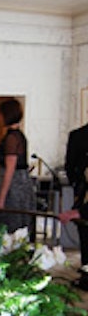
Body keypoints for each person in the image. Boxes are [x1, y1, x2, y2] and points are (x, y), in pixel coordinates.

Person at [0, 98, 36, 234]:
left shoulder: (12, 138)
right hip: (18, 182)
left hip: (14, 186)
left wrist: (1, 199)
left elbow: (10, 168)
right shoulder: (17, 135)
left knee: (8, 224)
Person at [62, 120, 88, 280]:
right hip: (84, 195)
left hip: (83, 195)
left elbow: (70, 168)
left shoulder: (78, 136)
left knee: (85, 235)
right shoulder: (78, 136)